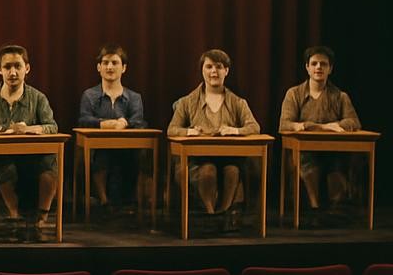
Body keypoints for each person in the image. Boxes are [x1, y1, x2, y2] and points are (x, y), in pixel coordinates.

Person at [0, 44, 59, 241]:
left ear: (27, 68)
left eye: (18, 66)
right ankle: (16, 215)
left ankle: (41, 218)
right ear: (0, 70)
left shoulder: (38, 98)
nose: (13, 72)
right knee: (3, 167)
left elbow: (52, 126)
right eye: (7, 67)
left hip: (32, 155)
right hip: (0, 155)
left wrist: (31, 129)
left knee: (50, 164)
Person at [167, 49, 260, 221]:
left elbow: (254, 127)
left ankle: (222, 214)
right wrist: (190, 131)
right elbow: (172, 129)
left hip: (228, 157)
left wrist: (236, 130)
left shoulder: (238, 102)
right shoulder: (187, 101)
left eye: (219, 67)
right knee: (208, 171)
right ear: (202, 70)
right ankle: (210, 215)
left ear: (227, 71)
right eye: (209, 67)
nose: (214, 72)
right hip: (197, 159)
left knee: (232, 171)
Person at [279, 44, 363, 210]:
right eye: (314, 63)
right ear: (307, 68)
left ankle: (336, 208)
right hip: (304, 150)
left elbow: (354, 122)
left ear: (330, 69)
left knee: (340, 166)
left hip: (333, 150)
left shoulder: (340, 96)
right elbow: (284, 124)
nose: (319, 67)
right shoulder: (293, 94)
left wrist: (337, 125)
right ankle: (313, 209)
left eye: (323, 64)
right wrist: (319, 127)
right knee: (308, 165)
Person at [75, 44, 146, 216]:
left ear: (124, 68)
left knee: (141, 156)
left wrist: (124, 124)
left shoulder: (134, 97)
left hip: (128, 147)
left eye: (115, 63)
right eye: (105, 62)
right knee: (101, 156)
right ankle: (104, 202)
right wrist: (106, 124)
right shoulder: (89, 95)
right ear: (98, 67)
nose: (109, 67)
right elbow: (84, 119)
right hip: (99, 146)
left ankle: (134, 203)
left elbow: (138, 121)